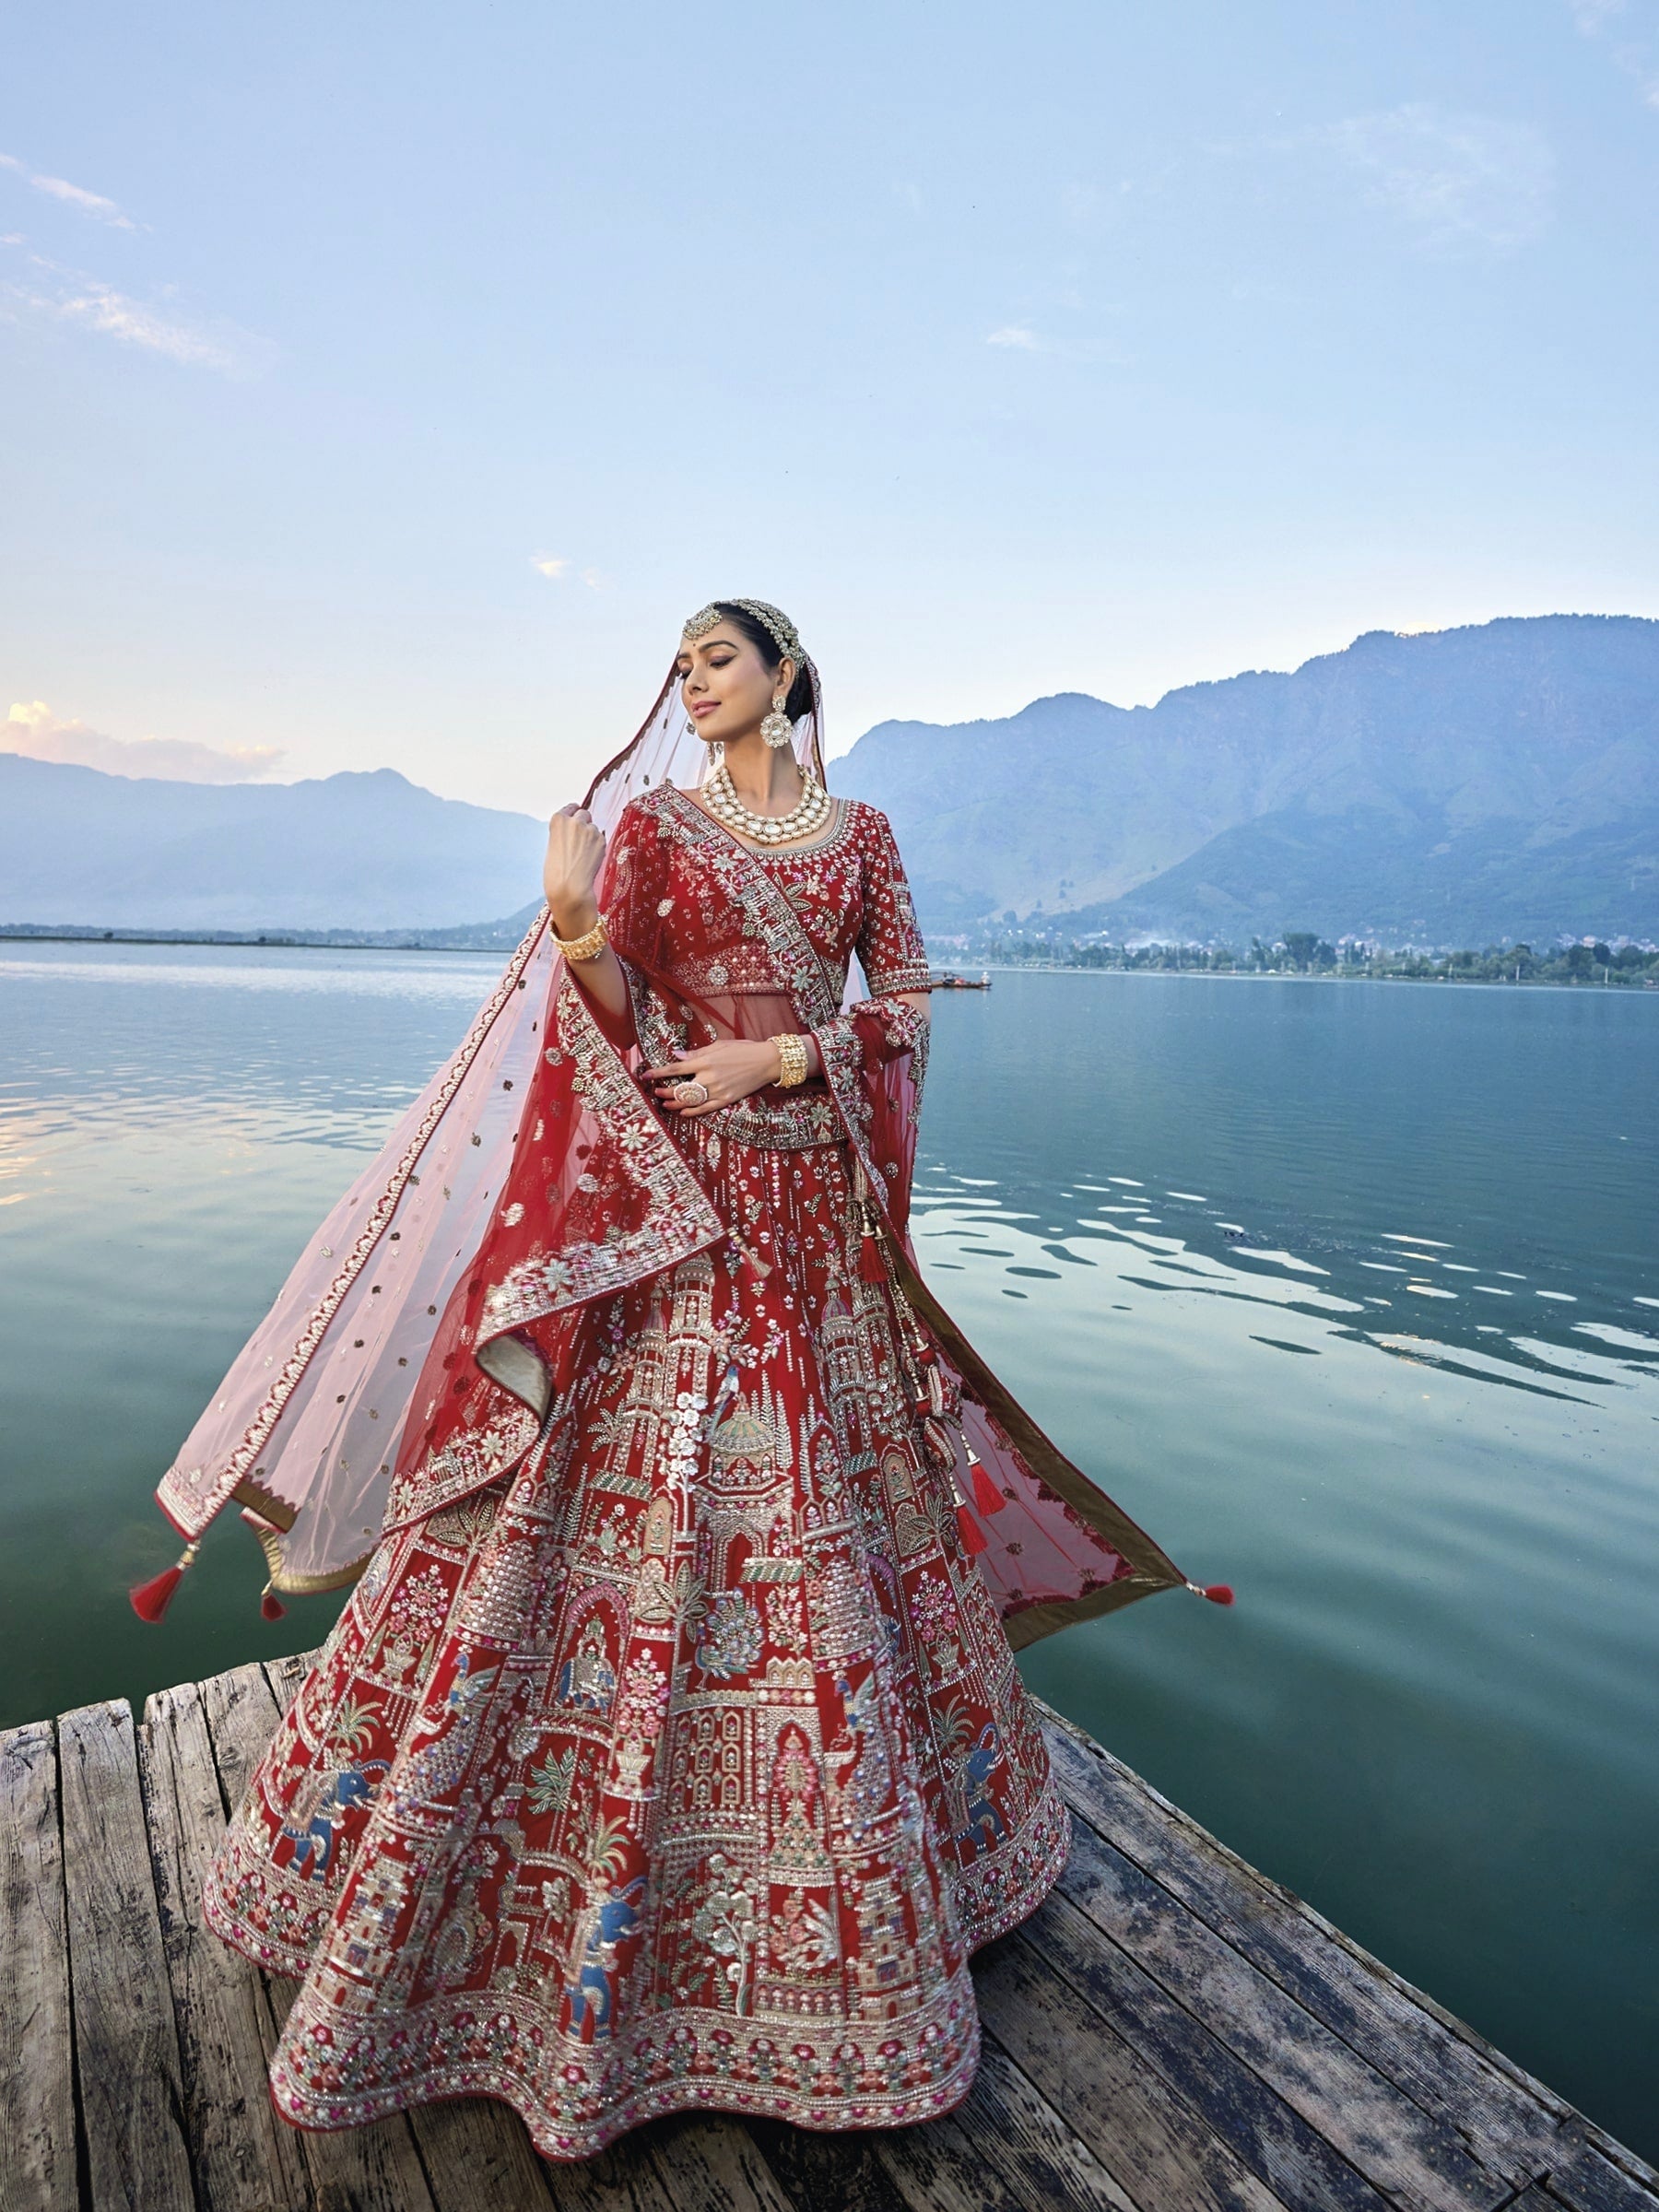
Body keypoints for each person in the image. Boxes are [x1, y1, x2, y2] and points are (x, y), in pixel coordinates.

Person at [136, 598, 1223, 2159]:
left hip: (811, 1220)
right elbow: (608, 1023)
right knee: (610, 1510)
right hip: (675, 1219)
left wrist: (782, 1058)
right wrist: (574, 919)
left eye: (720, 659)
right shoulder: (649, 828)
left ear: (785, 677)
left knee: (820, 1514)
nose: (691, 683)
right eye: (684, 665)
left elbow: (907, 1009)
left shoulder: (863, 836)